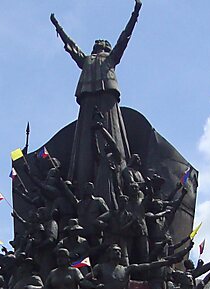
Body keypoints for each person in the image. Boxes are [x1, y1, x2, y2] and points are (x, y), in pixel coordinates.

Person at [51, 0, 142, 206]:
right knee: (90, 142)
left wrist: (135, 13)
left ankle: (112, 183)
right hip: (94, 102)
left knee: (108, 138)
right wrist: (59, 29)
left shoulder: (99, 60)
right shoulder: (97, 60)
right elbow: (123, 39)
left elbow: (123, 38)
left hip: (101, 102)